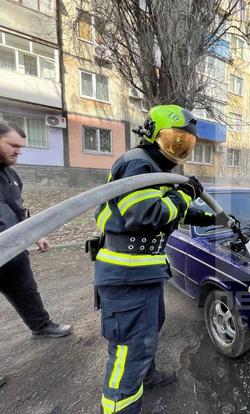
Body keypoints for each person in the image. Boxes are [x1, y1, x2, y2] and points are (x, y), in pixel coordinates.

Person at [95, 104, 223, 413]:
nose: (177, 150)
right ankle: (119, 405)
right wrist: (185, 195)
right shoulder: (138, 164)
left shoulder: (156, 169)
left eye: (185, 144)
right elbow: (146, 214)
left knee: (149, 328)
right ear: (151, 134)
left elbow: (168, 210)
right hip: (127, 274)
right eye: (173, 141)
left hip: (143, 273)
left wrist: (209, 218)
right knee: (129, 350)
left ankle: (145, 375)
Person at [0, 121, 73, 386]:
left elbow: (18, 210)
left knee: (26, 290)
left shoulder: (11, 175)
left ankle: (40, 326)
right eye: (14, 146)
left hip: (13, 250)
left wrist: (36, 233)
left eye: (21, 147)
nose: (19, 152)